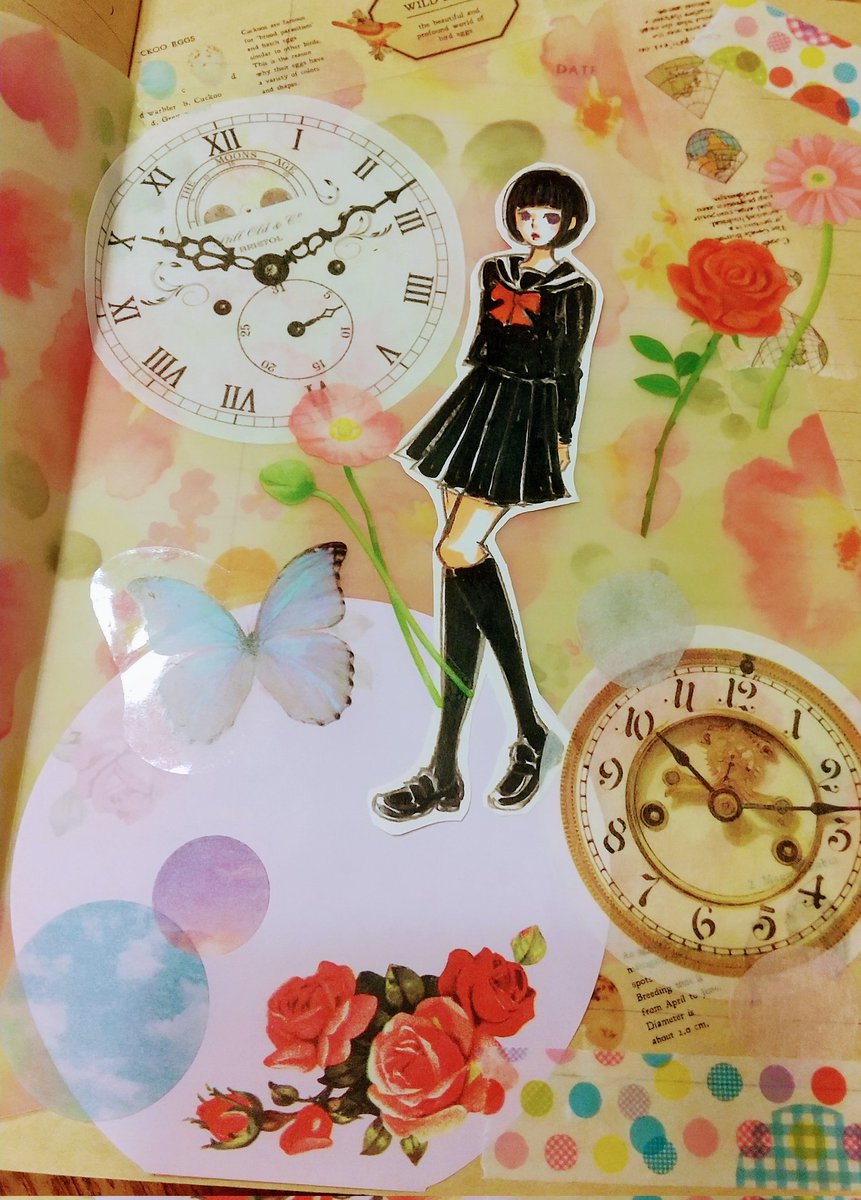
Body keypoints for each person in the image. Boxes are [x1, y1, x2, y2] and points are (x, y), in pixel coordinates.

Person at [373, 164, 602, 824]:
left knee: (458, 549)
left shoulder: (575, 288)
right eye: (527, 215)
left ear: (569, 223)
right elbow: (483, 345)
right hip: (479, 403)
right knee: (456, 569)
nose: (537, 226)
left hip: (526, 415)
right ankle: (445, 768)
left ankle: (528, 726)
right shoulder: (494, 271)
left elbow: (569, 368)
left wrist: (561, 436)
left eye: (549, 218)